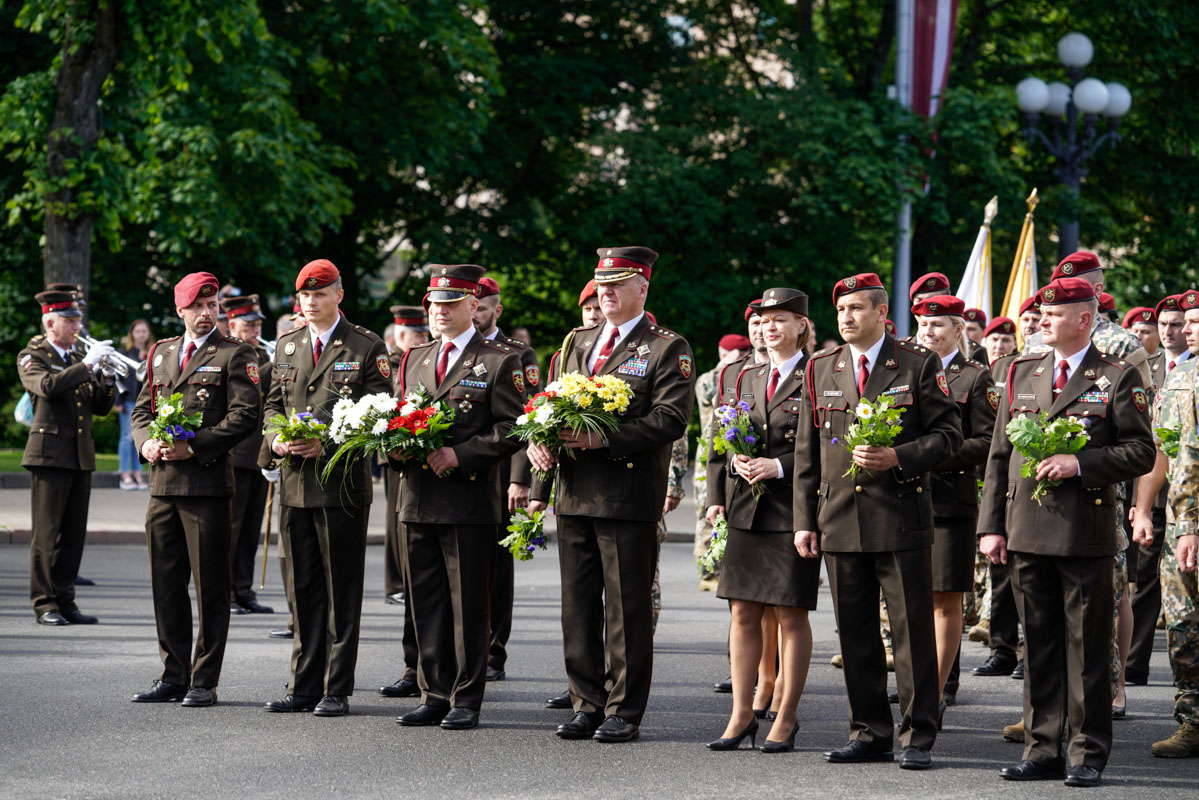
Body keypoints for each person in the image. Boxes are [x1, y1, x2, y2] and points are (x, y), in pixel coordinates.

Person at [978, 276, 1155, 786]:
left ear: (1084, 319)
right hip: (1027, 530)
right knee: (1039, 645)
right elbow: (998, 457)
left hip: (1084, 530)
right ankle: (1043, 747)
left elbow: (1141, 451)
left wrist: (1079, 464)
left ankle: (1086, 753)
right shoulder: (1020, 372)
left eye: (1054, 314)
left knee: (1086, 646)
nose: (1042, 321)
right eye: (1042, 314)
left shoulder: (1117, 376)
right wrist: (991, 527)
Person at [793, 272, 961, 771]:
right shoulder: (821, 367)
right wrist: (806, 519)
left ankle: (918, 736)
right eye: (841, 310)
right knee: (856, 635)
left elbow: (949, 435)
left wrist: (900, 455)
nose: (846, 318)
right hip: (840, 518)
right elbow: (807, 450)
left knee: (911, 635)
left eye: (858, 309)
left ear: (882, 314)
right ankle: (868, 731)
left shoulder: (915, 362)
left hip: (900, 518)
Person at [527, 245, 695, 743]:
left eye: (617, 284)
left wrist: (604, 437)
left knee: (626, 607)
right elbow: (550, 405)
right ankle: (586, 703)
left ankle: (624, 709)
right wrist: (540, 449)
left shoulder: (667, 346)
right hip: (575, 490)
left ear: (642, 288)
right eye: (601, 285)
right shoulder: (577, 340)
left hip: (627, 491)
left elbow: (670, 418)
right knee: (577, 605)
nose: (606, 293)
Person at [392, 265, 525, 731]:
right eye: (434, 304)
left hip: (469, 500)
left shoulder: (500, 358)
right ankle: (433, 692)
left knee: (468, 605)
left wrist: (462, 454)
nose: (440, 312)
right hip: (417, 496)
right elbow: (396, 415)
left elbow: (514, 427)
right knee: (424, 602)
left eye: (451, 304)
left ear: (474, 306)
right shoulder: (414, 358)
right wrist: (390, 443)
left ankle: (466, 697)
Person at [262, 259, 390, 717]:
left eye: (319, 294)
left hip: (341, 488)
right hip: (295, 485)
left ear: (339, 295)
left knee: (340, 590)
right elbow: (272, 405)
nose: (311, 303)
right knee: (302, 590)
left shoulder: (365, 346)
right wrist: (276, 438)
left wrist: (329, 441)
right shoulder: (288, 345)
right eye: (304, 296)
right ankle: (302, 685)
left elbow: (382, 415)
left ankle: (336, 687)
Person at [129, 272, 261, 706]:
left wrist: (196, 447)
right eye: (197, 307)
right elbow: (142, 409)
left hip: (206, 487)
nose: (207, 314)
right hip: (163, 488)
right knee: (165, 584)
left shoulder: (235, 353)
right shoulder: (161, 352)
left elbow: (245, 415)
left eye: (212, 306)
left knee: (210, 588)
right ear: (181, 310)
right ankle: (172, 674)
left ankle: (204, 679)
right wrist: (146, 442)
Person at [704, 288, 817, 753]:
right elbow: (718, 437)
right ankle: (742, 713)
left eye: (782, 319)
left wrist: (780, 465)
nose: (771, 327)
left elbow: (831, 445)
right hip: (746, 505)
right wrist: (723, 484)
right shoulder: (739, 375)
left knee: (790, 614)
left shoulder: (819, 373)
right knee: (742, 611)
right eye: (764, 319)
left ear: (802, 327)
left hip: (794, 508)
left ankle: (786, 715)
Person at [912, 295, 996, 720]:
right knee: (912, 600)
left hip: (949, 502)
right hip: (903, 498)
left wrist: (931, 454)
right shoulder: (904, 370)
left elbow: (987, 441)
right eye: (923, 326)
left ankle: (936, 691)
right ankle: (916, 682)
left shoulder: (976, 377)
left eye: (938, 326)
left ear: (958, 330)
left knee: (944, 600)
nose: (928, 333)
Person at [19, 289, 116, 626]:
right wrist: (87, 365)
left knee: (73, 534)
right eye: (70, 319)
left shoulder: (77, 357)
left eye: (77, 319)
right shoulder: (33, 355)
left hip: (79, 455)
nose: (77, 325)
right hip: (48, 455)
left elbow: (100, 408)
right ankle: (44, 603)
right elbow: (46, 387)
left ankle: (65, 599)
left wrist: (106, 379)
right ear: (50, 322)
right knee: (46, 534)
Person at [1134, 288, 1199, 758]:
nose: (1189, 327)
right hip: (1179, 522)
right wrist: (1142, 508)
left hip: (1191, 522)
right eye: (1187, 320)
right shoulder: (1179, 378)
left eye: (1198, 320)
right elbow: (1164, 451)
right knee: (1182, 624)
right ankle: (1193, 720)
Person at [472, 276, 540, 683]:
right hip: (459, 476)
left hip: (500, 476)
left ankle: (494, 651)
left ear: (496, 311)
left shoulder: (516, 354)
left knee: (496, 569)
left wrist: (520, 478)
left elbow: (526, 418)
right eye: (472, 305)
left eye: (482, 307)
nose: (475, 313)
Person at [220, 294, 274, 616]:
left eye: (258, 324)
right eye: (249, 324)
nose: (255, 328)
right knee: (233, 527)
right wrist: (274, 364)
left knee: (252, 528)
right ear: (233, 324)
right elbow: (249, 388)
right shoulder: (228, 353)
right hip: (237, 451)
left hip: (260, 451)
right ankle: (226, 591)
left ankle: (244, 589)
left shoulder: (264, 353)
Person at [693, 331, 752, 589]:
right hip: (711, 448)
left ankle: (718, 566)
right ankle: (708, 569)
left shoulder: (721, 375)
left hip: (723, 447)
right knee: (707, 511)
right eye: (741, 353)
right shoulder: (713, 378)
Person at [116, 319, 153, 490]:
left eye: (144, 331)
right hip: (128, 400)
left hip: (145, 402)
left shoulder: (152, 352)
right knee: (127, 437)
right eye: (138, 331)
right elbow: (117, 378)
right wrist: (118, 401)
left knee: (141, 437)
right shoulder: (125, 352)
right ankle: (125, 473)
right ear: (132, 334)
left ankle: (137, 473)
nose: (141, 334)